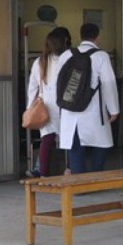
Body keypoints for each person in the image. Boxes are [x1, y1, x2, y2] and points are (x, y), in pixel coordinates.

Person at [57, 23, 120, 174]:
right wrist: (114, 110)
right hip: (92, 111)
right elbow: (109, 83)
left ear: (80, 36)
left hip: (69, 109)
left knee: (75, 145)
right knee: (102, 144)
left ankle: (79, 182)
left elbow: (58, 83)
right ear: (97, 37)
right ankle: (95, 176)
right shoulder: (101, 56)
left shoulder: (66, 55)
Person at [26, 26, 72, 177]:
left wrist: (29, 107)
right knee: (70, 140)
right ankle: (70, 170)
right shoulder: (70, 59)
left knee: (47, 139)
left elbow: (32, 86)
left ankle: (42, 172)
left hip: (45, 107)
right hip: (66, 105)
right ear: (65, 41)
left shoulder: (40, 62)